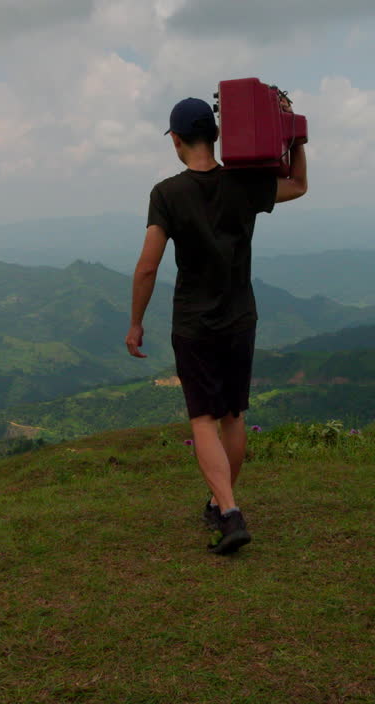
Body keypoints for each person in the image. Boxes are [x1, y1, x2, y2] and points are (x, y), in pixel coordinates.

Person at [125, 94, 308, 554]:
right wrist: (296, 136)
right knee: (233, 416)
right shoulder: (245, 185)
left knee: (203, 418)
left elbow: (147, 267)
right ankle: (218, 501)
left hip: (194, 324)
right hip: (240, 318)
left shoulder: (166, 194)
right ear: (217, 135)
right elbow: (299, 184)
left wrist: (135, 322)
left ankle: (229, 513)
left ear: (177, 141)